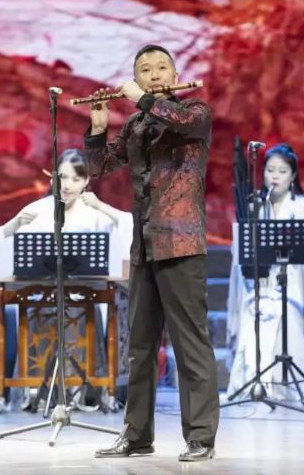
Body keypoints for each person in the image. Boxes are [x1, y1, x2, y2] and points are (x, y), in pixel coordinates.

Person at [86, 44, 219, 462]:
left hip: (181, 243)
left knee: (190, 345)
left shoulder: (194, 111)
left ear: (175, 74)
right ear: (136, 78)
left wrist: (141, 99)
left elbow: (179, 120)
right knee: (140, 348)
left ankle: (201, 437)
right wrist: (98, 129)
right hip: (144, 247)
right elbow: (99, 168)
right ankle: (137, 436)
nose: (156, 74)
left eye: (162, 67)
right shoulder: (136, 124)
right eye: (146, 70)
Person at [0, 149, 132, 411]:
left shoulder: (94, 213)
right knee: (42, 309)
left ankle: (81, 391)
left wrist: (101, 206)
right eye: (62, 177)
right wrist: (15, 224)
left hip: (83, 297)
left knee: (78, 309)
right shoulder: (38, 210)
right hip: (41, 296)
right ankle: (38, 390)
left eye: (76, 179)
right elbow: (0, 241)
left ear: (86, 181)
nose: (67, 185)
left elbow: (127, 229)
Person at [226, 143, 304, 401]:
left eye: (282, 171)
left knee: (286, 312)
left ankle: (284, 383)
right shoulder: (254, 205)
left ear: (293, 175)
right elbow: (242, 250)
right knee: (253, 311)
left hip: (294, 282)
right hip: (260, 284)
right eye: (270, 170)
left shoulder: (303, 206)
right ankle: (255, 380)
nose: (275, 176)